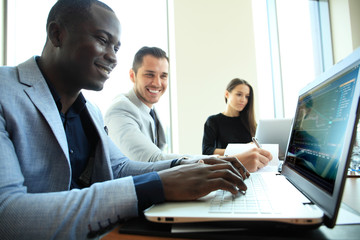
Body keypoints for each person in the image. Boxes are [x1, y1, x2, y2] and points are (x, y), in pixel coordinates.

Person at [0, 1, 249, 239]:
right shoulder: (5, 90)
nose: (113, 57)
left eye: (116, 47)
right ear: (57, 34)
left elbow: (119, 168)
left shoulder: (91, 112)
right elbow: (7, 216)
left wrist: (190, 165)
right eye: (102, 40)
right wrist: (156, 186)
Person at [105, 47, 272, 171]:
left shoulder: (150, 110)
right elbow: (152, 160)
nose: (157, 83)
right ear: (132, 76)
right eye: (149, 74)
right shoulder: (121, 109)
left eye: (163, 75)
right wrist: (231, 160)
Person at [202, 78, 267, 172]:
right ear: (227, 94)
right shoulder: (213, 121)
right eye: (239, 94)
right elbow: (207, 151)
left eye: (247, 96)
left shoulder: (250, 123)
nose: (243, 100)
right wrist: (244, 149)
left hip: (253, 171)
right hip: (226, 171)